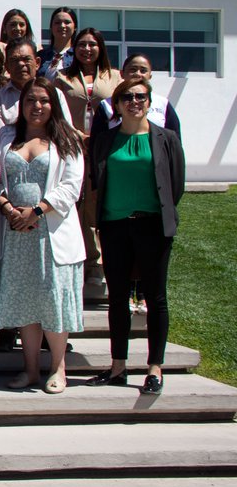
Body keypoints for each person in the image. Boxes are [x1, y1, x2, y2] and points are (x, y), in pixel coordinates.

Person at [87, 77, 185, 395]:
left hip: (153, 226)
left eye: (141, 96)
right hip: (114, 226)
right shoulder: (104, 141)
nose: (134, 102)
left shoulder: (166, 138)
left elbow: (176, 184)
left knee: (156, 298)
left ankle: (154, 368)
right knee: (117, 297)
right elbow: (96, 180)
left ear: (149, 101)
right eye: (127, 97)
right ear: (116, 105)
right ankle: (118, 366)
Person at [0, 78, 85, 394]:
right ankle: (30, 370)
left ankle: (58, 367)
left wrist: (38, 210)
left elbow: (72, 186)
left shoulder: (66, 140)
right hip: (16, 233)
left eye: (44, 100)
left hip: (50, 234)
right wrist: (7, 208)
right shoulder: (5, 136)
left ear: (53, 104)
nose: (37, 106)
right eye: (31, 100)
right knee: (26, 304)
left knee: (51, 301)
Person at [56, 27, 122, 290]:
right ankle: (77, 263)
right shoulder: (63, 78)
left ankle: (97, 265)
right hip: (73, 148)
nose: (86, 49)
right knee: (76, 205)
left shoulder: (114, 77)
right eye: (81, 44)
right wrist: (77, 136)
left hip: (104, 150)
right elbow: (58, 113)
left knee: (97, 207)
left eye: (92, 44)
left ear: (101, 47)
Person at [93, 53, 182, 135]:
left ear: (150, 76)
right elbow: (98, 143)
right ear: (122, 74)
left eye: (143, 71)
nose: (138, 74)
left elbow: (174, 142)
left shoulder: (163, 104)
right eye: (133, 69)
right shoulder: (106, 105)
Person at [40, 7, 78, 80]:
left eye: (67, 22)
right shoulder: (41, 56)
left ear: (75, 27)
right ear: (51, 27)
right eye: (57, 22)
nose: (62, 26)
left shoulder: (79, 57)